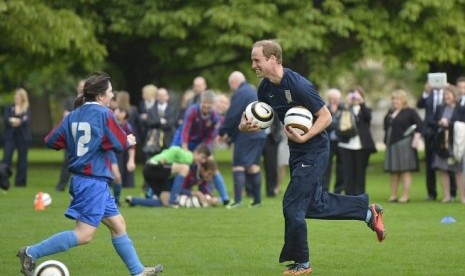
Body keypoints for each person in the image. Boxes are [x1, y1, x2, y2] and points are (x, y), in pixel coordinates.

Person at [244, 40, 385, 275]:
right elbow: (261, 116)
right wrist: (246, 125)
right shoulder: (265, 88)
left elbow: (326, 116)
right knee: (313, 204)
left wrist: (306, 135)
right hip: (297, 150)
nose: (253, 65)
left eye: (256, 60)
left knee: (292, 206)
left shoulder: (300, 85)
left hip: (314, 149)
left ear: (273, 59)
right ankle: (367, 211)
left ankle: (303, 263)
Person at [17, 72, 163, 276]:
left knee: (118, 224)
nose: (113, 95)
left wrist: (77, 143)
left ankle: (138, 272)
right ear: (101, 96)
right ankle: (31, 252)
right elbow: (120, 143)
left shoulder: (73, 115)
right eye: (111, 92)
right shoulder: (105, 114)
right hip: (91, 182)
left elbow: (51, 140)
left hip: (90, 181)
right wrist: (129, 141)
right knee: (84, 235)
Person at [219, 71, 266, 208]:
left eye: (230, 85)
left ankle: (238, 201)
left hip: (246, 134)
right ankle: (257, 201)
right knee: (253, 166)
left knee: (238, 165)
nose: (231, 88)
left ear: (234, 82)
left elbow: (233, 114)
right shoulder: (252, 90)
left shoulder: (240, 93)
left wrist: (223, 131)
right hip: (259, 133)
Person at [417, 81, 457, 200]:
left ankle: (452, 192)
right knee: (430, 165)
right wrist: (426, 91)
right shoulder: (430, 94)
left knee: (449, 163)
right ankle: (431, 193)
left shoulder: (447, 97)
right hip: (430, 133)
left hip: (446, 135)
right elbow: (420, 104)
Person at [383, 89, 423, 203]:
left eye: (397, 99)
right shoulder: (390, 113)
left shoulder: (410, 112)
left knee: (405, 170)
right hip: (391, 144)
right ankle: (393, 195)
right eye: (393, 99)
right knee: (393, 170)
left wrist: (414, 138)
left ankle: (405, 195)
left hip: (405, 144)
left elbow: (420, 125)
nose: (395, 101)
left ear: (403, 100)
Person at [337, 86, 377, 196]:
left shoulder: (365, 109)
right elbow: (338, 117)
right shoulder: (345, 108)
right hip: (346, 144)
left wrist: (362, 103)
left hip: (361, 145)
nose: (355, 97)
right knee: (347, 171)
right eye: (353, 95)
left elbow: (368, 118)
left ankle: (359, 194)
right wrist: (348, 103)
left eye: (357, 95)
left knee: (360, 172)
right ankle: (349, 194)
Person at [429, 85, 465, 203]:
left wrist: (450, 123)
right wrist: (439, 122)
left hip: (456, 143)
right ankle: (446, 196)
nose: (446, 97)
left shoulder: (461, 109)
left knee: (458, 170)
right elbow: (431, 122)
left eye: (448, 94)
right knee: (442, 169)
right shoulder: (440, 108)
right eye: (445, 95)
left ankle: (462, 197)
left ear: (454, 96)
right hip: (441, 143)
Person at [2, 88, 31, 187]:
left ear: (23, 98)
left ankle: (20, 183)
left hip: (23, 137)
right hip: (10, 136)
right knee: (6, 158)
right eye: (16, 96)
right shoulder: (10, 107)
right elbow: (6, 119)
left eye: (18, 96)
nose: (16, 98)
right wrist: (13, 121)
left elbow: (26, 120)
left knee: (22, 160)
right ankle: (3, 180)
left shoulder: (26, 108)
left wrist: (19, 121)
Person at [322, 88, 345, 194]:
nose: (333, 100)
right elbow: (324, 123)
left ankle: (338, 190)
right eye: (331, 98)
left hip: (341, 142)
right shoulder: (325, 108)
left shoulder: (344, 108)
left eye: (335, 98)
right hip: (328, 142)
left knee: (341, 167)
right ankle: (325, 189)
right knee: (326, 166)